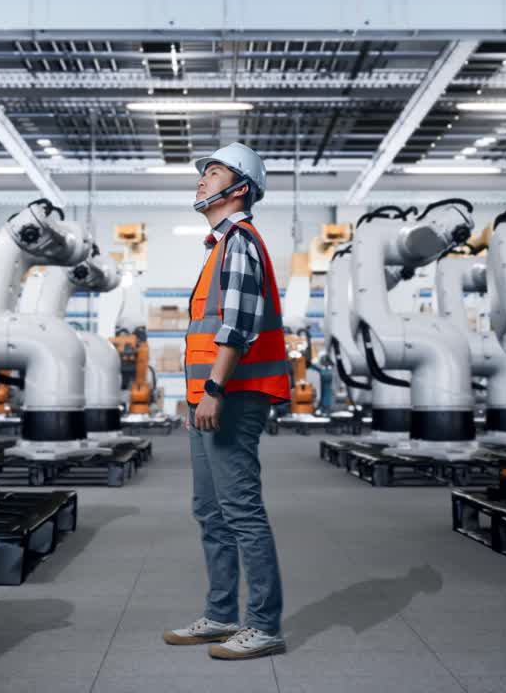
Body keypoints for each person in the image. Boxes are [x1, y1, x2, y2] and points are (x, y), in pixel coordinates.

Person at [162, 143, 291, 660]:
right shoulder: (218, 246)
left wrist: (213, 390)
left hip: (231, 399)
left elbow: (237, 327)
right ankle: (220, 615)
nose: (201, 180)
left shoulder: (239, 241)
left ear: (239, 188)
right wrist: (195, 397)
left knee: (240, 511)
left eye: (212, 172)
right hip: (207, 401)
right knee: (210, 511)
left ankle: (263, 625)